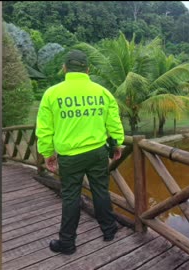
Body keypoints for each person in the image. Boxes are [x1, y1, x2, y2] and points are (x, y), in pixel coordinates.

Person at [35, 50, 124, 255]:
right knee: (100, 191)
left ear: (65, 68)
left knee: (71, 197)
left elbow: (44, 129)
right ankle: (109, 230)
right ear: (87, 69)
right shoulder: (101, 92)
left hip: (70, 156)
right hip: (97, 153)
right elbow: (113, 122)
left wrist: (48, 153)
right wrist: (117, 144)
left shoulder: (52, 93)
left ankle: (67, 243)